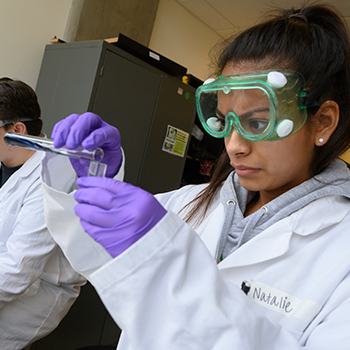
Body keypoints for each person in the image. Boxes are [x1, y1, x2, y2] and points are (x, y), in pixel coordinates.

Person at [42, 3, 350, 349]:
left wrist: (169, 262)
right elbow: (88, 258)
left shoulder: (341, 249)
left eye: (257, 123)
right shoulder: (192, 201)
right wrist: (97, 177)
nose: (233, 145)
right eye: (225, 121)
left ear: (322, 121)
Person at [0, 78, 87, 350]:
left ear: (16, 130)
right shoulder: (7, 160)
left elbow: (17, 269)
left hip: (37, 289)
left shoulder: (50, 180)